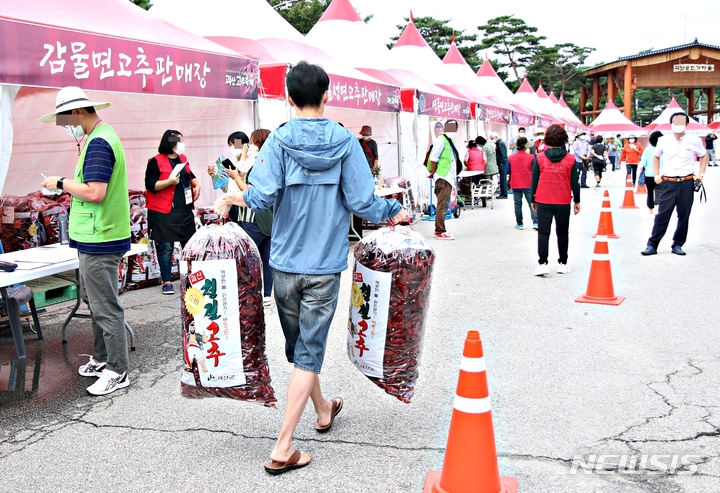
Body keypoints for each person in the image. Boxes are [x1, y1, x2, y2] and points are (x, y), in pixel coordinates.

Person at [212, 61, 408, 474]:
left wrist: (231, 199)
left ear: (287, 97)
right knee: (307, 354)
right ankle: (283, 446)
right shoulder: (345, 141)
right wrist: (394, 211)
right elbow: (362, 204)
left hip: (282, 264)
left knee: (301, 350)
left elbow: (261, 200)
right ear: (326, 95)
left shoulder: (278, 142)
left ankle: (323, 410)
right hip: (323, 266)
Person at [39, 86, 131, 396]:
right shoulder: (99, 137)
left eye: (64, 119)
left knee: (105, 306)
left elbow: (95, 192)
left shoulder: (99, 142)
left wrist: (61, 182)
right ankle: (101, 358)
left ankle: (117, 370)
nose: (65, 125)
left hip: (100, 236)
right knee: (96, 301)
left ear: (78, 112)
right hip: (95, 235)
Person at [641, 112, 708, 256]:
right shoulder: (663, 141)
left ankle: (677, 244)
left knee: (684, 215)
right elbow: (656, 157)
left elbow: (704, 155)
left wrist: (701, 174)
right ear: (671, 124)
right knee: (662, 215)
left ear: (686, 125)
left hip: (687, 182)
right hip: (668, 182)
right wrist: (657, 174)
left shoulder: (694, 140)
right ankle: (652, 244)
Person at [223, 129, 275, 306]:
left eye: (236, 144)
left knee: (246, 256)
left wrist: (237, 173)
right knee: (266, 257)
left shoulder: (254, 163)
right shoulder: (270, 161)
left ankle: (249, 292)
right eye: (230, 145)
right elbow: (228, 187)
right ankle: (266, 294)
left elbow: (248, 190)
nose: (234, 148)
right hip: (266, 218)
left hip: (252, 216)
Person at [145, 130, 200, 295]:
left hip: (183, 210)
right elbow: (150, 185)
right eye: (178, 141)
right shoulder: (155, 161)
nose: (181, 144)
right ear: (170, 143)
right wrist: (168, 182)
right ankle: (167, 281)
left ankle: (192, 279)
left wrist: (197, 184)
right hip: (163, 212)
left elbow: (190, 175)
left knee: (190, 246)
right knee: (166, 247)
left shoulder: (182, 159)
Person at [531, 124, 581, 276]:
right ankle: (563, 263)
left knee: (543, 232)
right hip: (563, 200)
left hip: (543, 199)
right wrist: (577, 200)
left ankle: (542, 264)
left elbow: (534, 180)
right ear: (564, 139)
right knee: (562, 232)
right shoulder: (571, 159)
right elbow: (574, 182)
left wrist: (533, 198)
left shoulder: (539, 158)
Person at [427, 120, 461, 239]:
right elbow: (434, 158)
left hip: (448, 176)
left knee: (445, 204)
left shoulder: (449, 140)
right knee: (443, 203)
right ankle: (439, 231)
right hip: (442, 176)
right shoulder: (441, 140)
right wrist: (433, 172)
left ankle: (441, 229)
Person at [508, 137, 537, 230]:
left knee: (517, 204)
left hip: (515, 183)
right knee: (531, 202)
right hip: (528, 183)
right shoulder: (531, 157)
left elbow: (507, 171)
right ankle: (536, 222)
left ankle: (519, 224)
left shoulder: (511, 158)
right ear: (525, 147)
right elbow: (535, 170)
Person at [639, 131, 664, 215]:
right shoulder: (663, 149)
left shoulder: (648, 149)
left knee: (650, 192)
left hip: (649, 174)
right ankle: (659, 210)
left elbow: (643, 163)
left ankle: (650, 211)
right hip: (661, 175)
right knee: (660, 192)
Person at [476, 135, 498, 207]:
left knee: (485, 183)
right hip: (493, 166)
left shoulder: (485, 147)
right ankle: (489, 195)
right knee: (490, 182)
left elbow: (484, 158)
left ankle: (485, 196)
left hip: (488, 167)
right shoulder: (490, 145)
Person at [491, 132, 509, 199]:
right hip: (501, 163)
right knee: (502, 178)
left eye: (492, 138)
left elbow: (503, 154)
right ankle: (503, 193)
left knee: (503, 179)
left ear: (496, 137)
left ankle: (504, 193)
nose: (492, 140)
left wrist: (502, 162)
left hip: (502, 163)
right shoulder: (498, 143)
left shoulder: (500, 144)